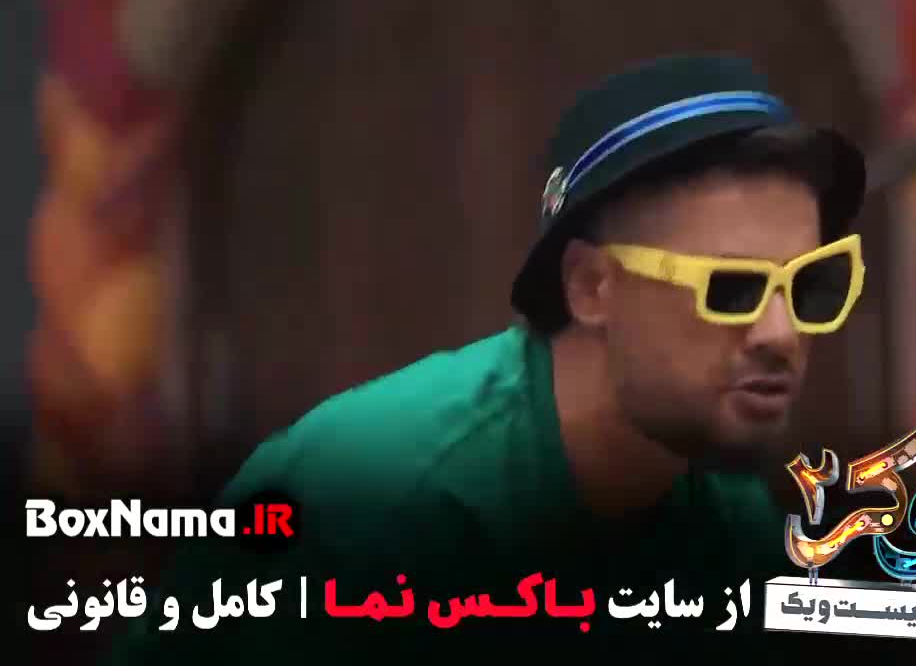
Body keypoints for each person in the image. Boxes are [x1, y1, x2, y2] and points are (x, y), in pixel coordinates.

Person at [109, 53, 866, 659]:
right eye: (731, 288)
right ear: (592, 287)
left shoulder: (728, 519)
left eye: (810, 286)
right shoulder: (381, 505)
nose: (780, 333)